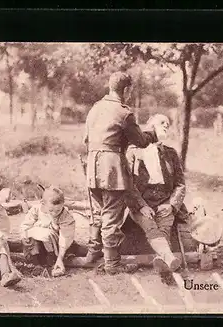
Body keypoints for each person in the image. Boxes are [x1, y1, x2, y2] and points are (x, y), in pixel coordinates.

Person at [82, 72, 158, 275]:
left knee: (100, 212)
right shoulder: (124, 112)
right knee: (111, 216)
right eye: (130, 90)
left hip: (92, 168)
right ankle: (112, 264)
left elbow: (87, 139)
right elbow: (140, 141)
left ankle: (94, 252)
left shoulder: (95, 108)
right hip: (111, 170)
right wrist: (152, 133)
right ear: (126, 90)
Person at [125, 114, 185, 277]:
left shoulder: (171, 153)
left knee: (165, 224)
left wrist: (171, 205)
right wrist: (142, 205)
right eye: (162, 122)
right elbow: (128, 184)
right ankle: (168, 257)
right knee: (149, 225)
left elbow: (180, 184)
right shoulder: (134, 152)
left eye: (168, 123)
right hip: (140, 200)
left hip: (164, 199)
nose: (166, 125)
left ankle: (163, 258)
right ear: (150, 126)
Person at [20, 186, 75, 277]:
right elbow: (25, 225)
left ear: (63, 204)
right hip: (36, 245)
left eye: (58, 210)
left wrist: (60, 259)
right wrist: (24, 236)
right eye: (51, 210)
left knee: (47, 234)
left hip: (54, 246)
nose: (54, 213)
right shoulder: (36, 209)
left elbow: (65, 238)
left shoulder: (65, 216)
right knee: (29, 233)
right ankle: (36, 263)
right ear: (43, 203)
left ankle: (53, 262)